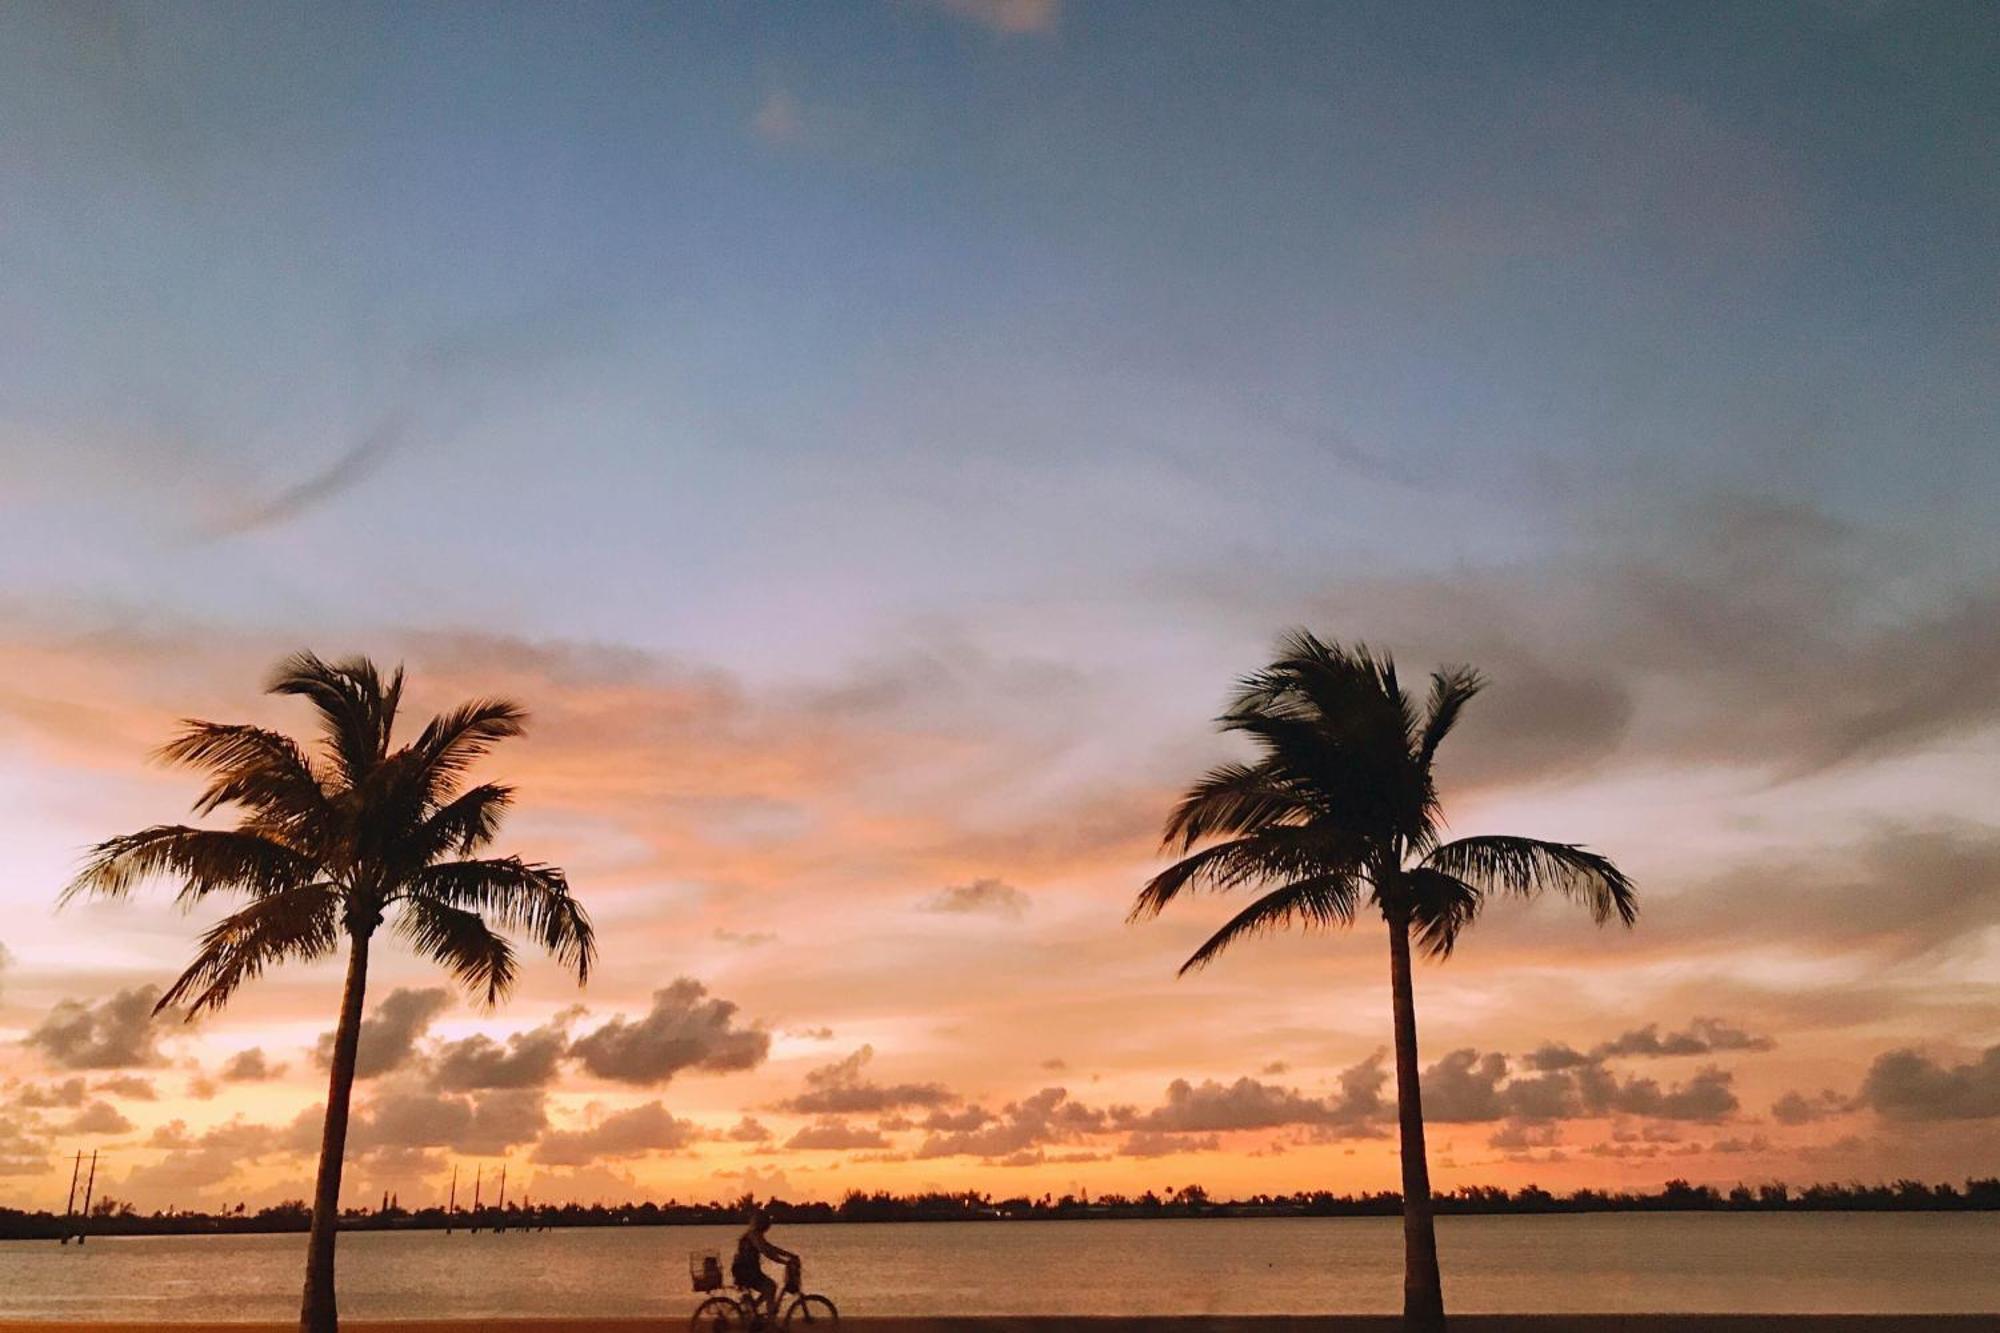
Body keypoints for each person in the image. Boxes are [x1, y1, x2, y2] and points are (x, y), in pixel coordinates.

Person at [731, 1206, 798, 1320]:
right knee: (770, 1287)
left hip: (748, 1269)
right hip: (745, 1271)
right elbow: (766, 1251)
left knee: (769, 1288)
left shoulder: (755, 1234)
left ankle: (753, 1311)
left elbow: (770, 1247)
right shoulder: (754, 1235)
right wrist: (783, 1262)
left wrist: (788, 1255)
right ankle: (770, 1323)